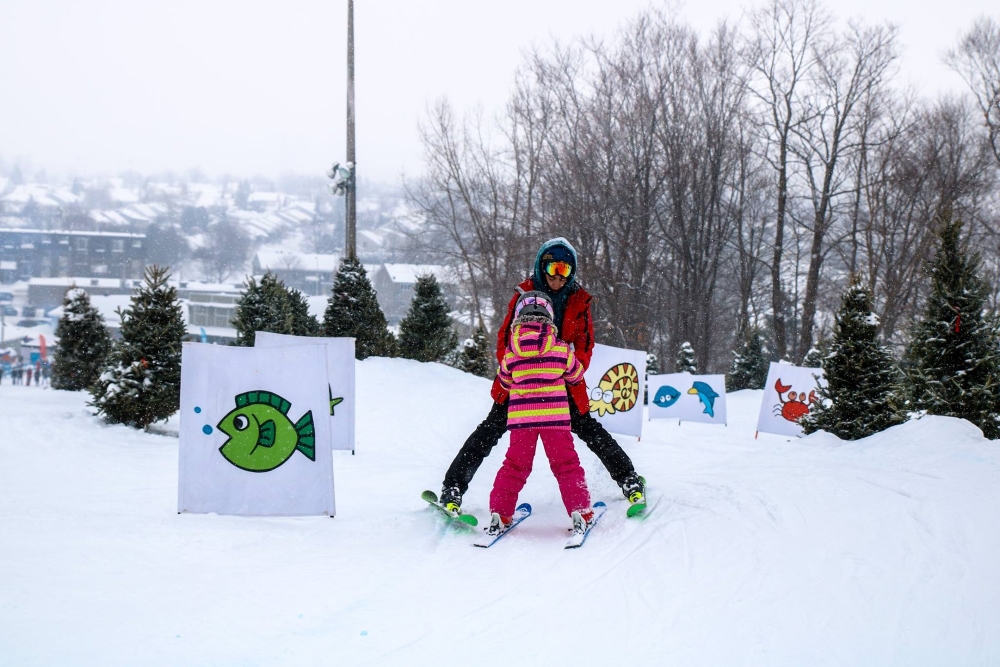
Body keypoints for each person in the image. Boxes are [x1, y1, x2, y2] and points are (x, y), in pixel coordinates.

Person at [440, 237, 645, 512]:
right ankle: (453, 487)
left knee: (589, 429)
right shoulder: (523, 295)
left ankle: (628, 479)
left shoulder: (578, 300)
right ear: (541, 268)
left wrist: (562, 372)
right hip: (521, 384)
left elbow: (585, 343)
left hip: (560, 384)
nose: (558, 278)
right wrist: (521, 368)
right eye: (552, 270)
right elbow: (505, 338)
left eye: (565, 271)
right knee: (488, 431)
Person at [487, 290, 593, 536]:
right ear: (550, 318)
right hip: (555, 421)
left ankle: (499, 513)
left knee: (514, 466)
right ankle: (580, 511)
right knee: (566, 465)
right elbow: (576, 376)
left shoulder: (512, 354)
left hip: (522, 422)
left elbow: (504, 382)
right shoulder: (560, 350)